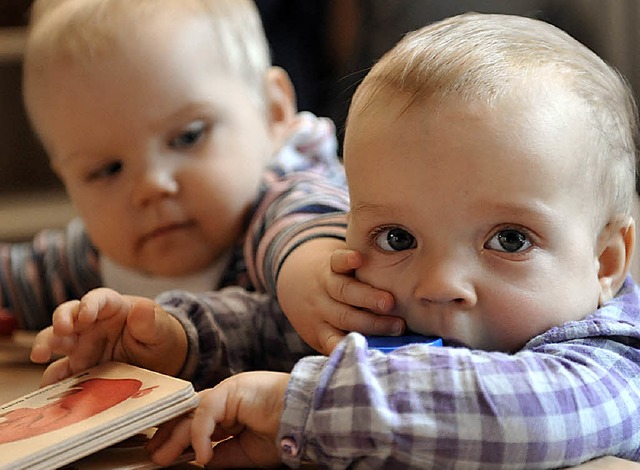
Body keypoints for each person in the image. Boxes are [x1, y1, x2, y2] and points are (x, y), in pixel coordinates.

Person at [31, 11, 640, 468]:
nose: (438, 285)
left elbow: (524, 415)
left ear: (605, 260)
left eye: (509, 240)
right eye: (398, 236)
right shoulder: (406, 306)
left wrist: (301, 403)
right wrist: (179, 339)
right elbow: (281, 326)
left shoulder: (610, 361)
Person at [1, 0, 398, 336]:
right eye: (106, 170)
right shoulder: (94, 258)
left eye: (187, 137)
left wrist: (314, 272)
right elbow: (18, 278)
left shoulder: (284, 198)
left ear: (273, 111)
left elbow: (306, 228)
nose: (151, 186)